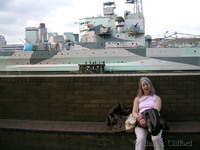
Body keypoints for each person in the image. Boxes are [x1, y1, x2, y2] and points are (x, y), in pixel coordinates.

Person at [132, 77, 164, 150]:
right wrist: (140, 119)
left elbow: (155, 111)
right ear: (141, 88)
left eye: (147, 84)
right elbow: (134, 112)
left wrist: (148, 121)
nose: (145, 86)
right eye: (143, 85)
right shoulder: (137, 98)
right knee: (140, 139)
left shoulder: (157, 98)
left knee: (156, 139)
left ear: (150, 85)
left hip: (154, 121)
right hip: (141, 121)